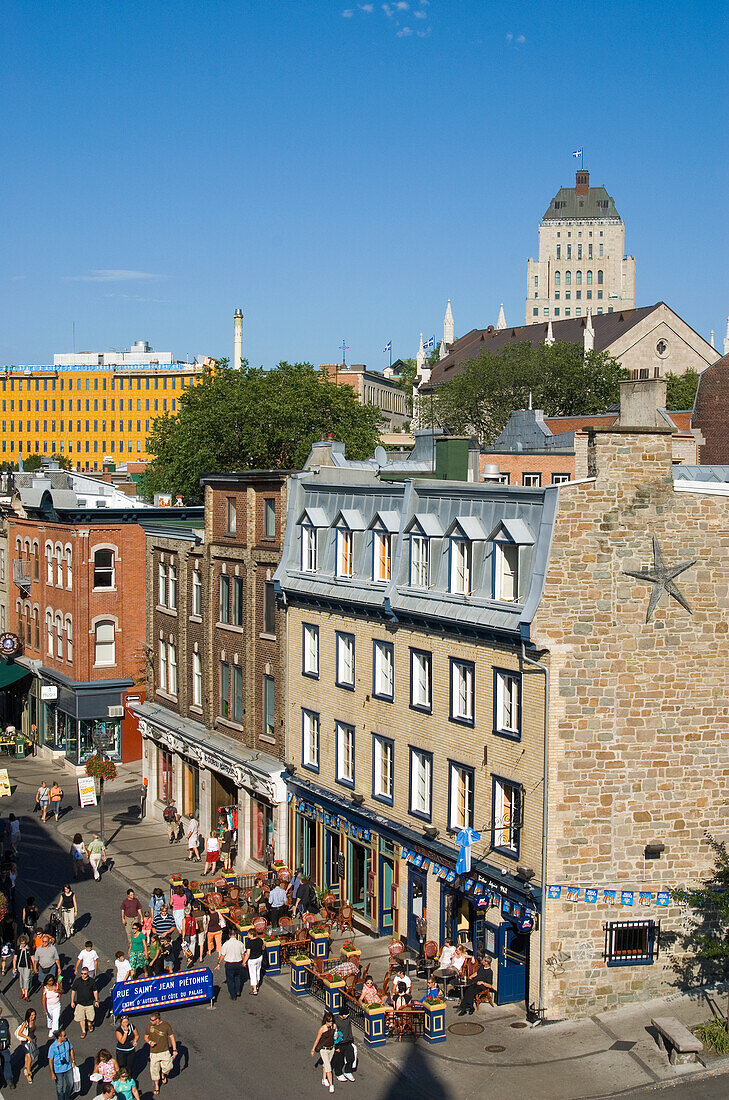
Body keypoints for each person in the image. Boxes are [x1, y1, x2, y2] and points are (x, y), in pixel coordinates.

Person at [144, 1011, 177, 1095]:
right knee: (154, 1071)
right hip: (154, 1053)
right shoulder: (149, 1026)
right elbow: (146, 1037)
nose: (151, 1022)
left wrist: (174, 1050)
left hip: (164, 1051)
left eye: (152, 1020)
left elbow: (171, 1037)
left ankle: (162, 1074)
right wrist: (149, 1042)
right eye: (150, 1020)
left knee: (169, 1066)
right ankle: (156, 1087)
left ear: (157, 1020)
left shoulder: (166, 1026)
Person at [310, 1010, 337, 1093]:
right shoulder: (322, 1029)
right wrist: (313, 1049)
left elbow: (335, 1036)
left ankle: (324, 1079)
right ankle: (331, 1085)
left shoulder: (334, 1026)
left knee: (326, 1064)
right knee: (329, 1068)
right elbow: (317, 1039)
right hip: (324, 1050)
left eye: (331, 1022)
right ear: (326, 1021)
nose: (330, 1024)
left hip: (331, 1049)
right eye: (329, 1022)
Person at [70, 965, 99, 1037]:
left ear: (88, 973)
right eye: (82, 973)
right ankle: (83, 1031)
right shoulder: (77, 981)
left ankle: (89, 1024)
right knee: (81, 1018)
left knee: (91, 1017)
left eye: (85, 974)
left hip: (89, 1003)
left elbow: (95, 991)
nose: (83, 975)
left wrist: (96, 1000)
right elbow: (73, 991)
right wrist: (72, 1001)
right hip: (80, 1003)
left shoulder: (92, 981)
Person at [47, 1027, 75, 1100]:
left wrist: (73, 1061)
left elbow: (71, 1050)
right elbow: (50, 1060)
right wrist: (52, 1073)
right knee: (60, 1088)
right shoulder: (52, 1047)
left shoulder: (67, 1041)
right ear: (59, 1037)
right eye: (64, 1035)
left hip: (68, 1067)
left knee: (71, 1084)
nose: (66, 1036)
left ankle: (67, 1097)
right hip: (58, 1070)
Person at [217, 928, 245, 999]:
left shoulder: (226, 944)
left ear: (229, 935)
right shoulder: (240, 943)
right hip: (238, 963)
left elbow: (222, 955)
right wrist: (244, 962)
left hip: (229, 964)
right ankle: (238, 990)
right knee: (237, 977)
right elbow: (243, 954)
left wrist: (219, 963)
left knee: (230, 979)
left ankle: (233, 995)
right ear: (235, 935)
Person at [333, 1002, 356, 1082]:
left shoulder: (348, 1019)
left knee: (351, 1057)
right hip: (340, 1044)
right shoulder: (336, 1021)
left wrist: (351, 1039)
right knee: (339, 1060)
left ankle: (348, 1071)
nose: (346, 1016)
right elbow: (334, 1034)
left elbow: (349, 1029)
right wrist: (336, 1046)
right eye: (345, 1015)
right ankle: (338, 1073)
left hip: (348, 1041)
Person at [15, 1007, 38, 1084]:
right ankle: (28, 1073)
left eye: (34, 1015)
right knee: (30, 1057)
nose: (33, 1017)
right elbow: (20, 1033)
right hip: (26, 1042)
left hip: (32, 1041)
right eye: (31, 1015)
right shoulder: (26, 1023)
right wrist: (27, 1037)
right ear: (28, 1016)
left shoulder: (33, 1021)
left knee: (27, 1056)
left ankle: (26, 1068)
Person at [14, 933, 32, 1000]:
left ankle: (26, 995)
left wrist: (34, 966)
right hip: (20, 966)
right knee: (21, 979)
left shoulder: (29, 949)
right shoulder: (18, 949)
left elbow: (32, 957)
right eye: (22, 943)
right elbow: (15, 959)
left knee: (26, 979)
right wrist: (14, 968)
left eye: (24, 943)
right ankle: (23, 991)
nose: (23, 945)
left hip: (27, 966)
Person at [0, 1007, 13, 1090]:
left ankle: (8, 1080)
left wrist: (9, 1042)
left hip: (4, 1047)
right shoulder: (4, 1022)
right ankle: (7, 1081)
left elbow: (8, 1033)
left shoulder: (4, 1022)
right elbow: (8, 1033)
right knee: (6, 1062)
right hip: (3, 1046)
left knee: (7, 1062)